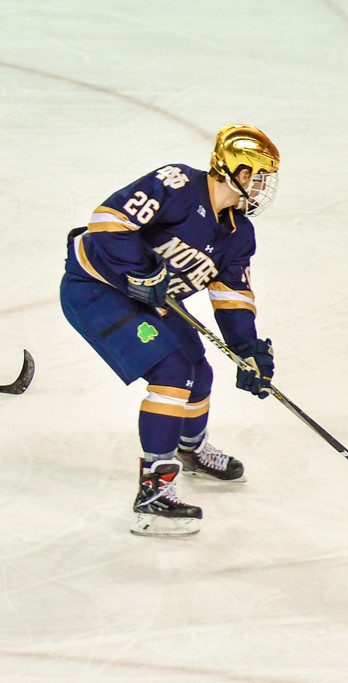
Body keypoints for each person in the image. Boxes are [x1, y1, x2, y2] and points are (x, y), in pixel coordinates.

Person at [60, 124, 281, 536]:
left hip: (152, 301)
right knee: (172, 374)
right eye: (260, 176)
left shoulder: (238, 233)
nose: (263, 187)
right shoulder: (176, 183)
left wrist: (247, 348)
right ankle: (153, 498)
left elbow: (233, 298)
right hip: (98, 289)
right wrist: (141, 272)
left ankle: (191, 449)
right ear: (240, 172)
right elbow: (107, 221)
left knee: (199, 373)